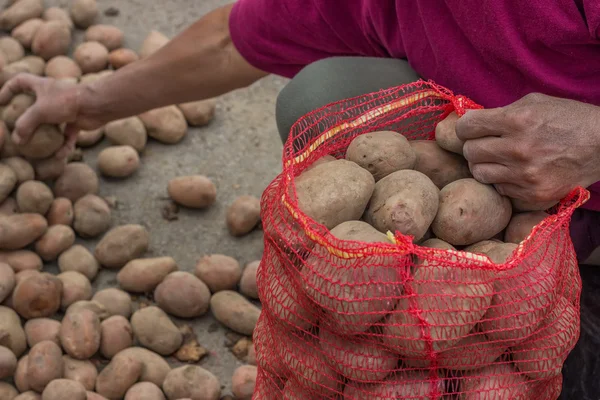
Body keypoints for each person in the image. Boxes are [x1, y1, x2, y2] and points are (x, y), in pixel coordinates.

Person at [1, 1, 599, 397]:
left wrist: (592, 139)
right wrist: (87, 102)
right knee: (321, 97)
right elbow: (231, 42)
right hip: (495, 180)